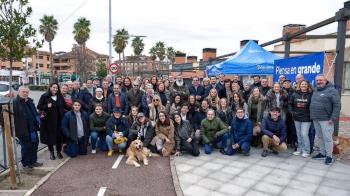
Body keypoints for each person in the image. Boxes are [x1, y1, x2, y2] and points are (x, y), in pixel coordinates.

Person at [310, 74, 341, 165]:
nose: (319, 82)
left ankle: (329, 156)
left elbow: (337, 105)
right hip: (316, 118)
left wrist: (333, 118)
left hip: (327, 119)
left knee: (327, 138)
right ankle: (322, 153)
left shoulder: (332, 91)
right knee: (320, 137)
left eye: (321, 80)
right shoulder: (315, 90)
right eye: (317, 80)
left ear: (325, 80)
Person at [13, 86, 42, 169]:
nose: (25, 93)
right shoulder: (15, 102)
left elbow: (34, 113)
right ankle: (26, 163)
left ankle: (33, 161)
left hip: (33, 128)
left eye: (27, 92)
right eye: (23, 92)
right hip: (23, 129)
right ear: (19, 92)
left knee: (34, 144)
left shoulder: (29, 101)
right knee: (26, 147)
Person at [37, 83, 65, 160]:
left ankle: (58, 152)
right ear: (50, 87)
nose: (55, 89)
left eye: (56, 88)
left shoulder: (59, 96)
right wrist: (46, 106)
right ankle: (51, 152)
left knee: (59, 137)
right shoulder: (44, 96)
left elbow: (65, 106)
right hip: (48, 121)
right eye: (54, 87)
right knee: (50, 137)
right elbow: (39, 106)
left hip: (59, 120)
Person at [289, 80, 313, 157]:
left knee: (304, 134)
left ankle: (306, 150)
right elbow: (290, 104)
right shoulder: (295, 93)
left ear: (308, 86)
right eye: (302, 84)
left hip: (307, 117)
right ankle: (299, 149)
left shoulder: (311, 94)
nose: (303, 85)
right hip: (296, 117)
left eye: (305, 84)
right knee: (298, 134)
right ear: (299, 85)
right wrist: (292, 112)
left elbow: (313, 105)